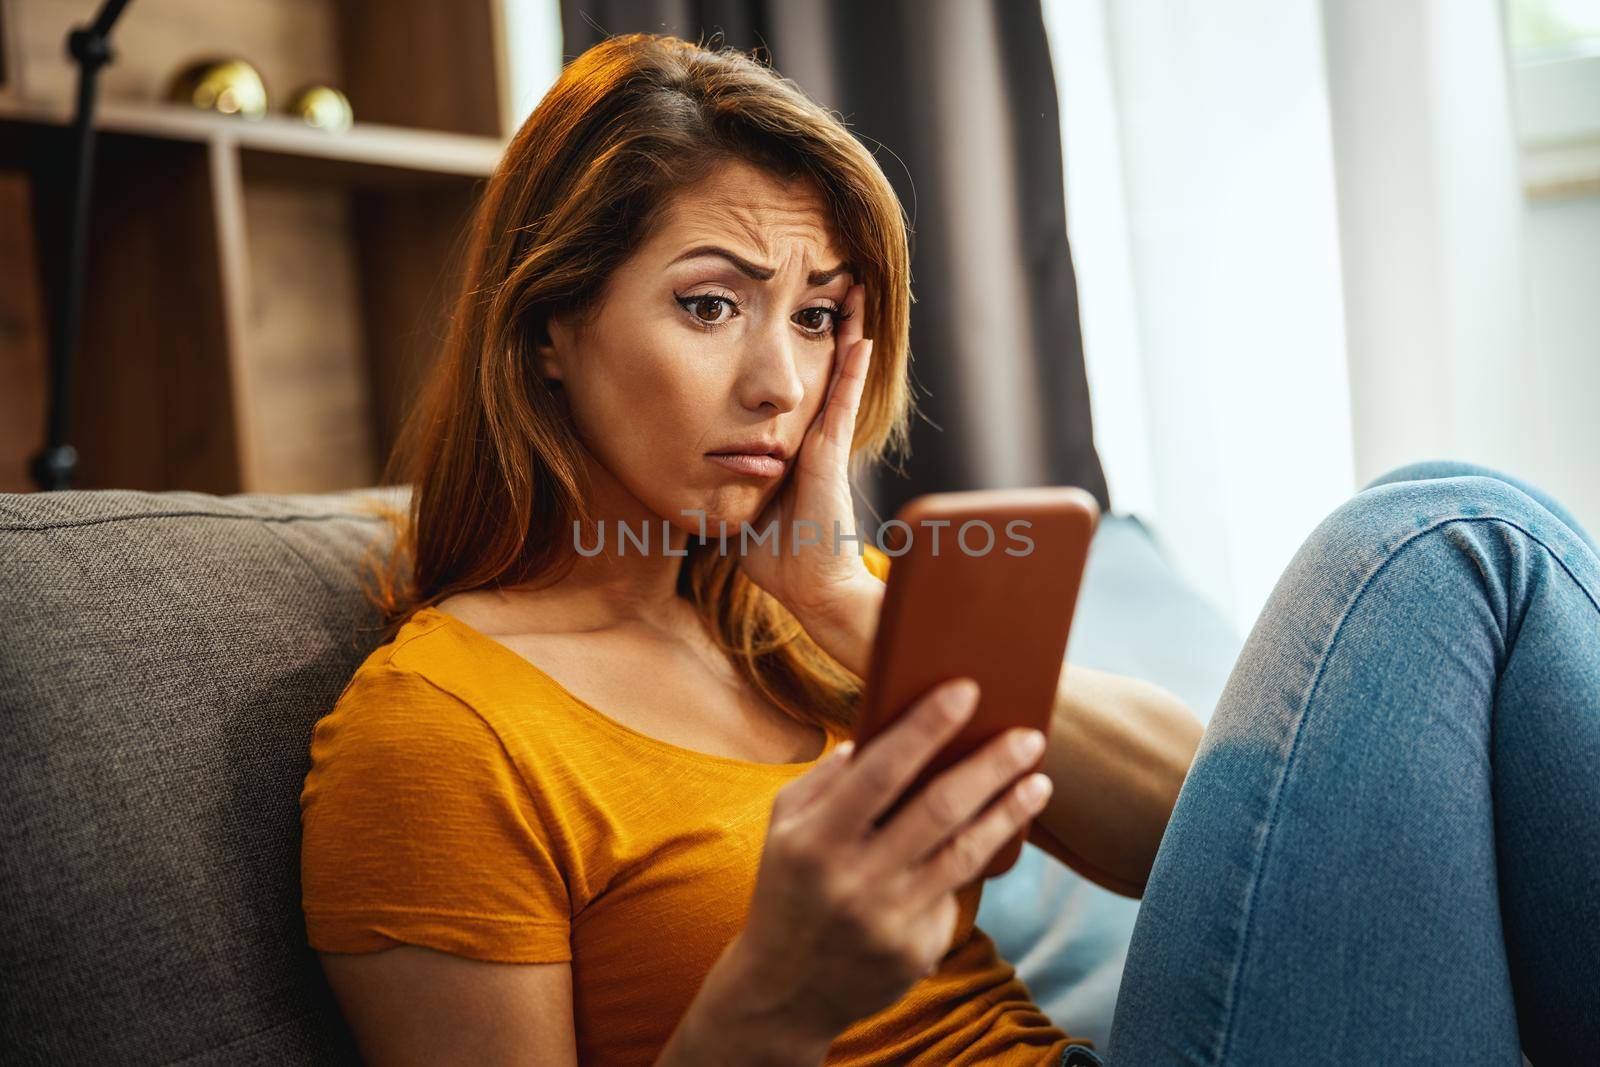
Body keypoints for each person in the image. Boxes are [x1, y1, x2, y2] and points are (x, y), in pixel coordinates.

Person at [297, 32, 1599, 1066]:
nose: (779, 382)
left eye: (818, 319)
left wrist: (845, 606)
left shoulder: (799, 617)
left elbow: (1227, 845)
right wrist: (773, 1002)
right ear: (545, 330)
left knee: (1464, 539)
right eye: (710, 306)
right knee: (1445, 538)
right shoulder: (435, 734)